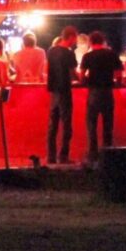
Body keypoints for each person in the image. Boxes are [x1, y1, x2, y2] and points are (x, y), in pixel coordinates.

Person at [80, 31, 123, 159]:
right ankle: (107, 153)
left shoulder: (87, 56)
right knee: (108, 124)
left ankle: (93, 153)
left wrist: (85, 82)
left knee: (91, 124)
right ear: (103, 41)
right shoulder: (112, 54)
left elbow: (82, 75)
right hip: (108, 92)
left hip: (94, 92)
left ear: (91, 42)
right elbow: (119, 74)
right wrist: (117, 83)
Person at [45, 27, 80, 165]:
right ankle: (63, 156)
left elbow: (48, 69)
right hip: (65, 90)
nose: (75, 41)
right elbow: (73, 72)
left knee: (52, 126)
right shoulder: (69, 53)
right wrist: (81, 80)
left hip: (54, 91)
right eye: (75, 38)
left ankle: (51, 156)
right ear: (70, 37)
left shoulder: (51, 51)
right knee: (66, 125)